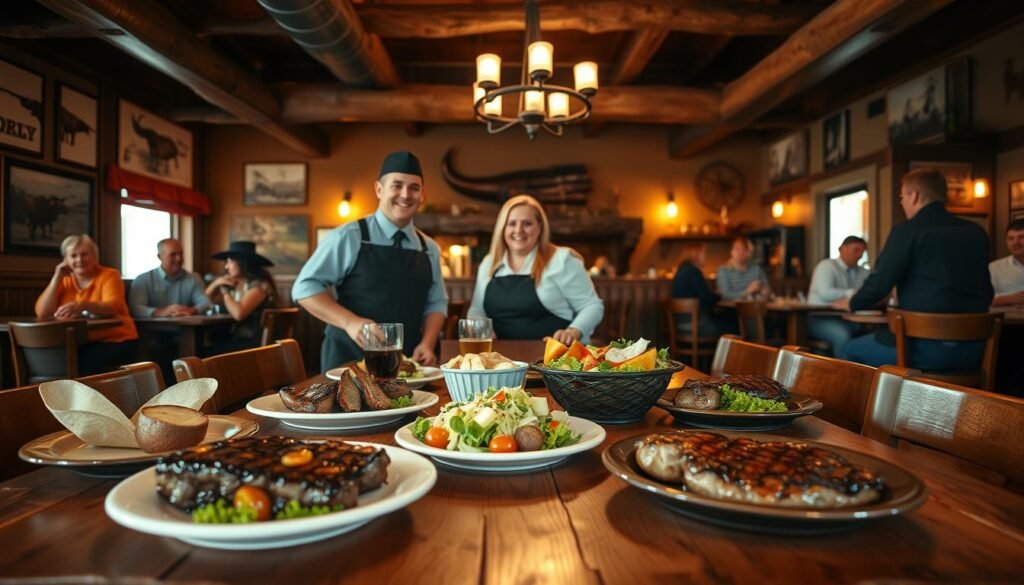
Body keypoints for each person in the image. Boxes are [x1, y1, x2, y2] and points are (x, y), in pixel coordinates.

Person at [293, 151, 448, 370]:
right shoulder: (350, 235)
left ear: (422, 194)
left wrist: (427, 343)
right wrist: (349, 322)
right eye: (397, 185)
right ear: (378, 189)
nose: (405, 194)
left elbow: (436, 302)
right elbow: (304, 288)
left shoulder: (429, 248)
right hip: (347, 361)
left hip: (405, 365)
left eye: (414, 187)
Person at [838, 168, 994, 368]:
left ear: (914, 196)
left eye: (902, 196)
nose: (901, 202)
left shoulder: (907, 231)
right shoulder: (976, 232)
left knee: (850, 350)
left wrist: (851, 303)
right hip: (976, 351)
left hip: (922, 349)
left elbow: (879, 284)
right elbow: (987, 292)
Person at [467, 194, 604, 346]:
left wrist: (573, 331)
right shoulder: (489, 263)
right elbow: (477, 310)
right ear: (502, 228)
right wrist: (482, 329)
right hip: (500, 361)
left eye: (527, 223)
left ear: (540, 227)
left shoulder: (562, 260)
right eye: (512, 223)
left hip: (553, 361)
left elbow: (591, 305)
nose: (518, 230)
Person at [34, 234, 138, 375]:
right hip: (78, 341)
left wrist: (81, 305)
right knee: (50, 359)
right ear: (66, 260)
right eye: (73, 256)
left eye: (84, 254)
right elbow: (42, 312)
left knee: (82, 361)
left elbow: (113, 306)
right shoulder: (65, 281)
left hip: (117, 339)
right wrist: (57, 277)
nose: (79, 260)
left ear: (95, 257)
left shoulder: (109, 275)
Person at [205, 241, 280, 354]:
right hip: (243, 340)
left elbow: (238, 314)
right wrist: (216, 283)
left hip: (254, 344)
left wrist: (226, 292)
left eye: (230, 261)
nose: (226, 266)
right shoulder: (240, 285)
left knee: (203, 352)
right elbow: (205, 300)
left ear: (242, 263)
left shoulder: (260, 286)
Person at [806, 236, 869, 355]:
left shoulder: (862, 271)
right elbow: (825, 293)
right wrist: (851, 293)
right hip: (817, 318)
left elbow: (870, 291)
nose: (859, 255)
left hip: (844, 318)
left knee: (868, 331)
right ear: (842, 249)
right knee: (842, 335)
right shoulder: (826, 266)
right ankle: (842, 371)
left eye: (862, 251)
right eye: (856, 250)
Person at [129, 238, 211, 317]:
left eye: (181, 254)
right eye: (173, 254)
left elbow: (205, 303)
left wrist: (191, 310)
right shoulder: (143, 280)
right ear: (159, 256)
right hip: (152, 329)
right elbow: (135, 308)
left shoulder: (194, 278)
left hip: (185, 328)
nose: (179, 259)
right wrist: (160, 312)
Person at [671, 242, 736, 337]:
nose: (705, 257)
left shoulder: (681, 271)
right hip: (696, 324)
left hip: (680, 323)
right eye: (703, 254)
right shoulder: (693, 272)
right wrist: (719, 296)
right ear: (696, 255)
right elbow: (706, 298)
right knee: (735, 325)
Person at [716, 236, 771, 300]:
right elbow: (725, 295)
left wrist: (764, 291)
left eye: (744, 249)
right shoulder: (723, 271)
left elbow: (768, 291)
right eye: (737, 249)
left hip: (754, 307)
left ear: (749, 252)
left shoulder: (757, 270)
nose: (741, 252)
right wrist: (748, 291)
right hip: (732, 308)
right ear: (731, 252)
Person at [989, 218, 1024, 307]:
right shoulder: (994, 268)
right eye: (1011, 238)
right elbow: (981, 300)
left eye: (1022, 237)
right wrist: (1007, 299)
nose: (1016, 242)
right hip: (1007, 320)